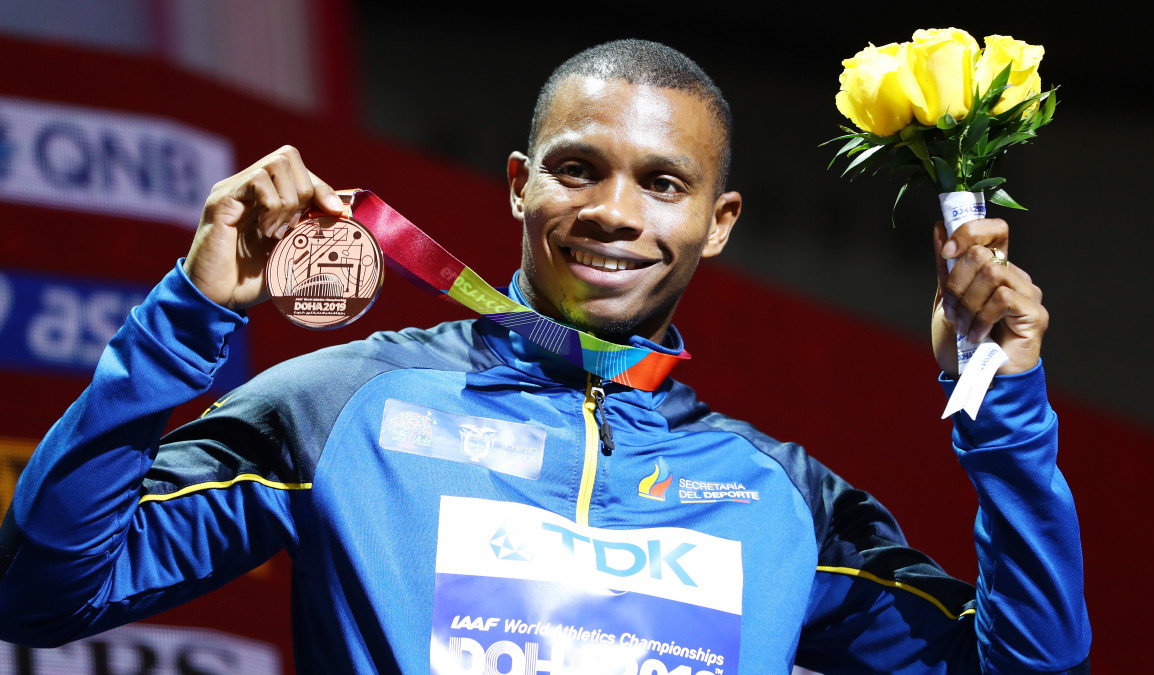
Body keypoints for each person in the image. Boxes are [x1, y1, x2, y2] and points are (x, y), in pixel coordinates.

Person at [0, 40, 1089, 674]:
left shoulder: (781, 498)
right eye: (579, 170)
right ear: (520, 183)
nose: (615, 213)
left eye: (662, 183)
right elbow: (45, 589)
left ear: (720, 223)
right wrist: (188, 317)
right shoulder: (346, 409)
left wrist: (1002, 405)